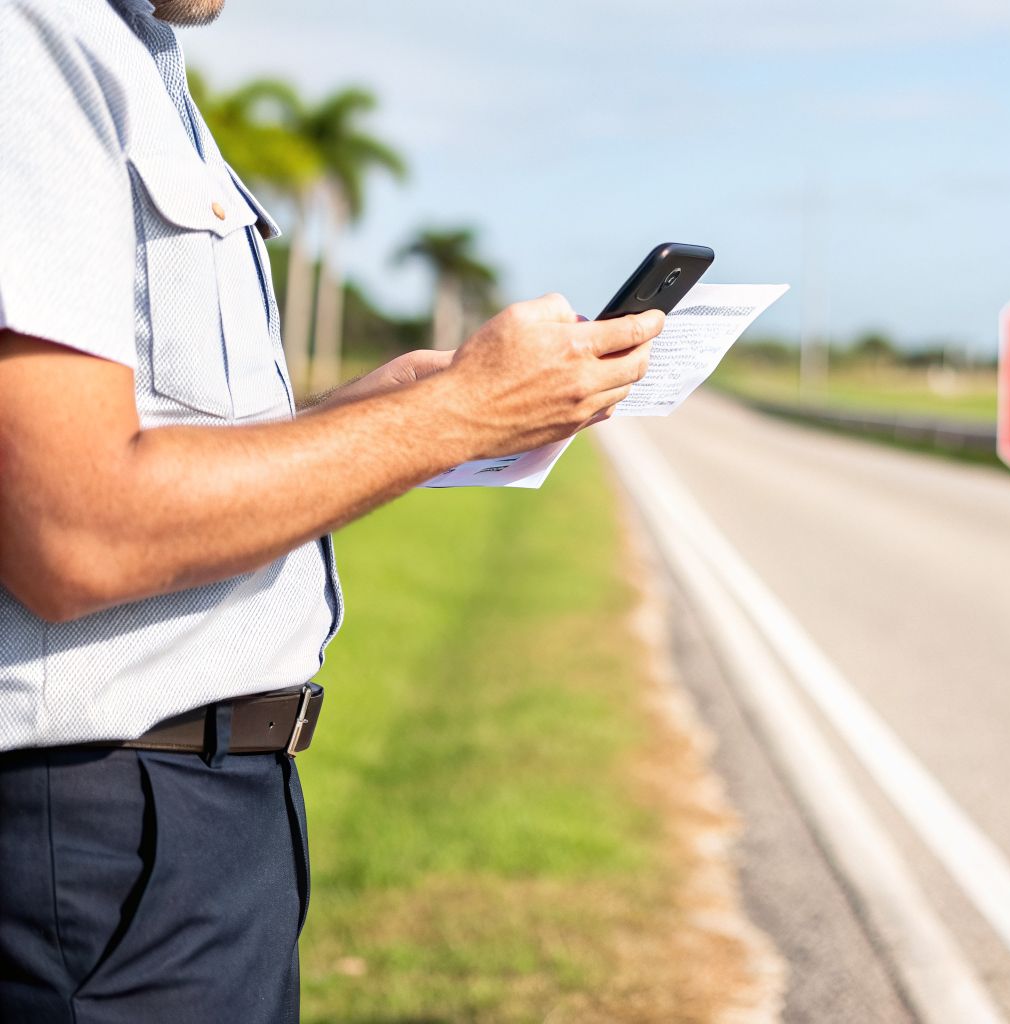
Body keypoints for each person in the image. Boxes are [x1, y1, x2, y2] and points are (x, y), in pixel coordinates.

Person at [0, 0, 661, 1018]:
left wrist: (395, 402)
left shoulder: (133, 51)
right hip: (101, 834)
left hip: (203, 817)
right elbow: (76, 531)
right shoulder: (29, 40)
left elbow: (154, 450)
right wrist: (455, 413)